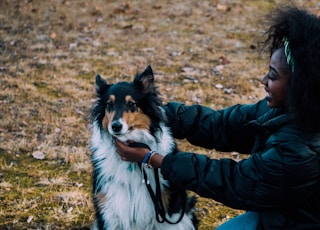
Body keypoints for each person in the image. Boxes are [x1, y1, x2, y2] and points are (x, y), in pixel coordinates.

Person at [116, 5, 320, 229]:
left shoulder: (299, 150)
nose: (263, 80)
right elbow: (222, 125)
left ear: (300, 86)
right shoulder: (284, 109)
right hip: (279, 212)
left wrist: (154, 159)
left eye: (272, 75)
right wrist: (158, 112)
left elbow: (235, 182)